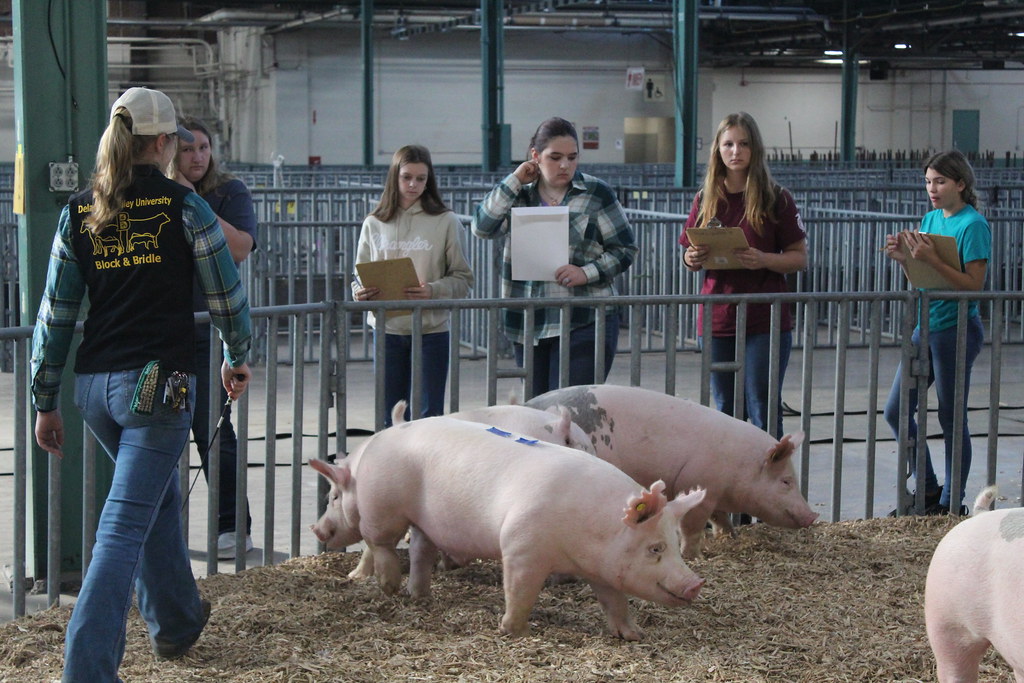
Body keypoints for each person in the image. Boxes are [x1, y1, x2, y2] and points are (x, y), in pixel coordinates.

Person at [30, 87, 252, 682]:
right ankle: (87, 670)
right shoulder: (186, 207)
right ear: (163, 143)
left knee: (148, 506)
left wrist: (44, 400)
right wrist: (238, 354)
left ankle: (177, 622)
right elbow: (226, 295)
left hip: (95, 390)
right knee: (123, 528)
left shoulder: (80, 210)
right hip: (158, 389)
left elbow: (55, 316)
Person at [472, 116, 637, 397]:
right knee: (537, 408)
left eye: (572, 158)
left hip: (585, 315)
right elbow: (482, 228)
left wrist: (586, 272)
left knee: (571, 406)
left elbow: (625, 249)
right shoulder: (519, 194)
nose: (565, 165)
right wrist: (514, 180)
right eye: (555, 157)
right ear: (535, 156)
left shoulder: (597, 193)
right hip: (529, 319)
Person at [680, 112, 808, 438]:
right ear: (718, 151)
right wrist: (691, 257)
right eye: (728, 144)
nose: (735, 151)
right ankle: (732, 484)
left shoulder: (776, 197)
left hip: (765, 316)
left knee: (762, 404)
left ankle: (768, 482)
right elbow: (688, 253)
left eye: (743, 144)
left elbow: (799, 257)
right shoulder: (705, 198)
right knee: (725, 408)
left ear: (755, 149)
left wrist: (763, 259)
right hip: (717, 314)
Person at [883, 149, 990, 516]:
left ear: (960, 183)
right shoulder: (930, 218)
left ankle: (950, 503)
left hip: (957, 328)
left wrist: (931, 260)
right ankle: (927, 486)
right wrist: (906, 261)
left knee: (951, 416)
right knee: (896, 410)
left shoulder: (972, 225)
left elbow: (974, 285)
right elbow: (922, 279)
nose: (932, 188)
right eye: (928, 181)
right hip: (925, 324)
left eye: (940, 181)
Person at [173, 116, 257, 559]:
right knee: (161, 433)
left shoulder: (230, 193)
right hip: (166, 328)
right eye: (188, 149)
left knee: (215, 430)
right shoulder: (158, 194)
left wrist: (194, 203)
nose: (198, 157)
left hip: (211, 328)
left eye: (203, 148)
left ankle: (232, 525)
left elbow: (241, 246)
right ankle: (166, 529)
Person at [352, 145, 473, 426]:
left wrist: (433, 289)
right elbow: (358, 274)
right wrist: (358, 292)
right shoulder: (374, 223)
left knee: (429, 416)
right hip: (386, 329)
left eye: (421, 178)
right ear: (394, 177)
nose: (413, 185)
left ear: (429, 180)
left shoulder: (446, 221)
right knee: (388, 414)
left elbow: (463, 278)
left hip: (430, 329)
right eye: (406, 177)